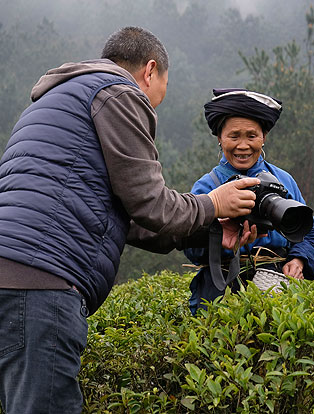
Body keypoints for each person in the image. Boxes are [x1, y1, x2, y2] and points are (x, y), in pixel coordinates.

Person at [0, 27, 260, 414]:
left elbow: (123, 216)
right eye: (156, 99)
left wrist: (207, 230)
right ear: (150, 71)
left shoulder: (53, 101)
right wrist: (214, 203)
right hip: (43, 281)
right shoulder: (118, 92)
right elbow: (150, 203)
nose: (150, 111)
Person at [184, 88, 314, 314]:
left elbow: (310, 231)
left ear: (263, 137)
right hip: (219, 292)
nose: (243, 145)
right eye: (234, 136)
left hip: (276, 288)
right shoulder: (207, 187)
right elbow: (190, 247)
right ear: (219, 138)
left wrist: (299, 260)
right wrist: (222, 239)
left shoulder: (283, 180)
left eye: (251, 136)